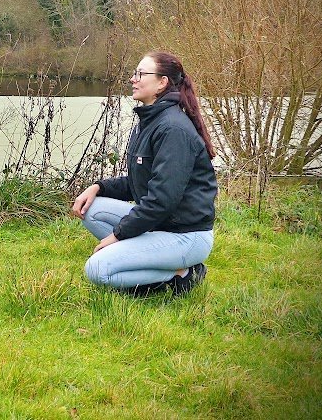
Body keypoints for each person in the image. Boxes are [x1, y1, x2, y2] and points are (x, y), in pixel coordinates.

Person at [72, 51, 217, 296]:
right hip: (161, 225)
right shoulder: (150, 121)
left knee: (97, 269)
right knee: (92, 209)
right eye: (134, 73)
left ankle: (183, 274)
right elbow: (139, 183)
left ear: (162, 83)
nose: (133, 79)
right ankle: (149, 260)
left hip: (186, 235)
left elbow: (162, 199)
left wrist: (118, 236)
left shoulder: (172, 129)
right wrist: (98, 187)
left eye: (141, 74)